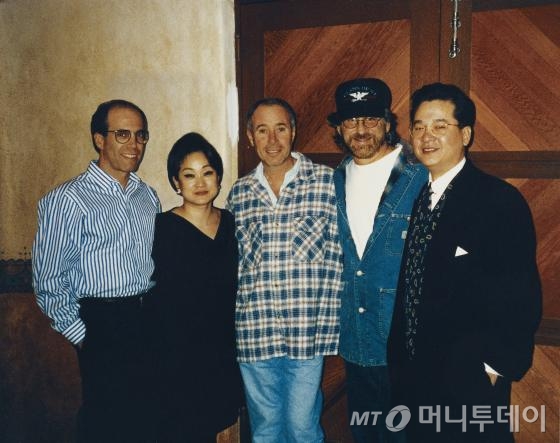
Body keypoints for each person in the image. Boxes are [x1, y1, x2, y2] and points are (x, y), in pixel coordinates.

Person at [388, 83, 542, 443]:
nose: (427, 136)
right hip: (417, 376)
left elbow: (521, 294)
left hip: (469, 378)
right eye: (419, 127)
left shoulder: (498, 200)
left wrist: (494, 366)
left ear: (466, 134)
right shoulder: (420, 198)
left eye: (440, 126)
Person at [32, 99, 160, 442]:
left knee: (149, 420)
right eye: (122, 134)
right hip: (103, 323)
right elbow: (49, 281)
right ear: (99, 139)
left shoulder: (148, 197)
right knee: (106, 424)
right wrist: (85, 338)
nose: (135, 144)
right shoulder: (67, 200)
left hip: (147, 317)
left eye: (140, 135)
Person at [226, 98, 343, 442]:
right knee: (265, 431)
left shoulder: (327, 183)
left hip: (307, 331)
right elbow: (234, 265)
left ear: (293, 131)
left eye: (280, 128)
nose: (272, 140)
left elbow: (344, 254)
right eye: (262, 130)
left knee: (303, 427)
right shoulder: (239, 194)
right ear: (251, 137)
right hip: (254, 330)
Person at [328, 78, 427, 442]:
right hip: (355, 341)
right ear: (339, 128)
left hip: (406, 346)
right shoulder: (331, 182)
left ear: (387, 122)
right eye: (351, 121)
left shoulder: (421, 178)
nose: (361, 129)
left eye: (370, 119)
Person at [147, 132, 243, 442]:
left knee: (217, 426)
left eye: (207, 172)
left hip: (222, 352)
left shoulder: (232, 224)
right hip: (175, 355)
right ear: (176, 182)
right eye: (189, 175)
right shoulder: (159, 228)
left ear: (218, 177)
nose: (200, 183)